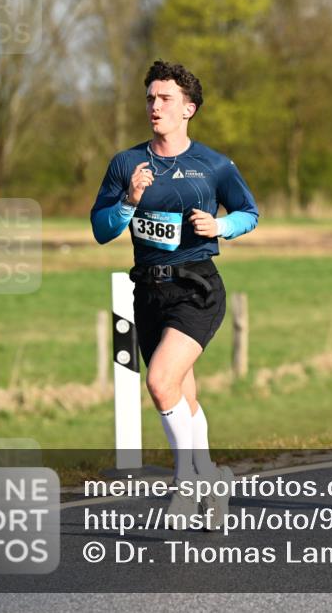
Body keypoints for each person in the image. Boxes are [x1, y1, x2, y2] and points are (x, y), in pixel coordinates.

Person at [91, 60, 259, 529]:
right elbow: (101, 230)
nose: (154, 106)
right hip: (147, 291)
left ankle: (188, 482)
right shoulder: (127, 164)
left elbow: (249, 212)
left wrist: (220, 224)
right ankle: (212, 478)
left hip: (196, 286)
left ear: (189, 108)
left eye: (164, 98)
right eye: (150, 97)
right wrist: (128, 201)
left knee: (160, 381)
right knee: (182, 393)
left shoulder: (214, 165)